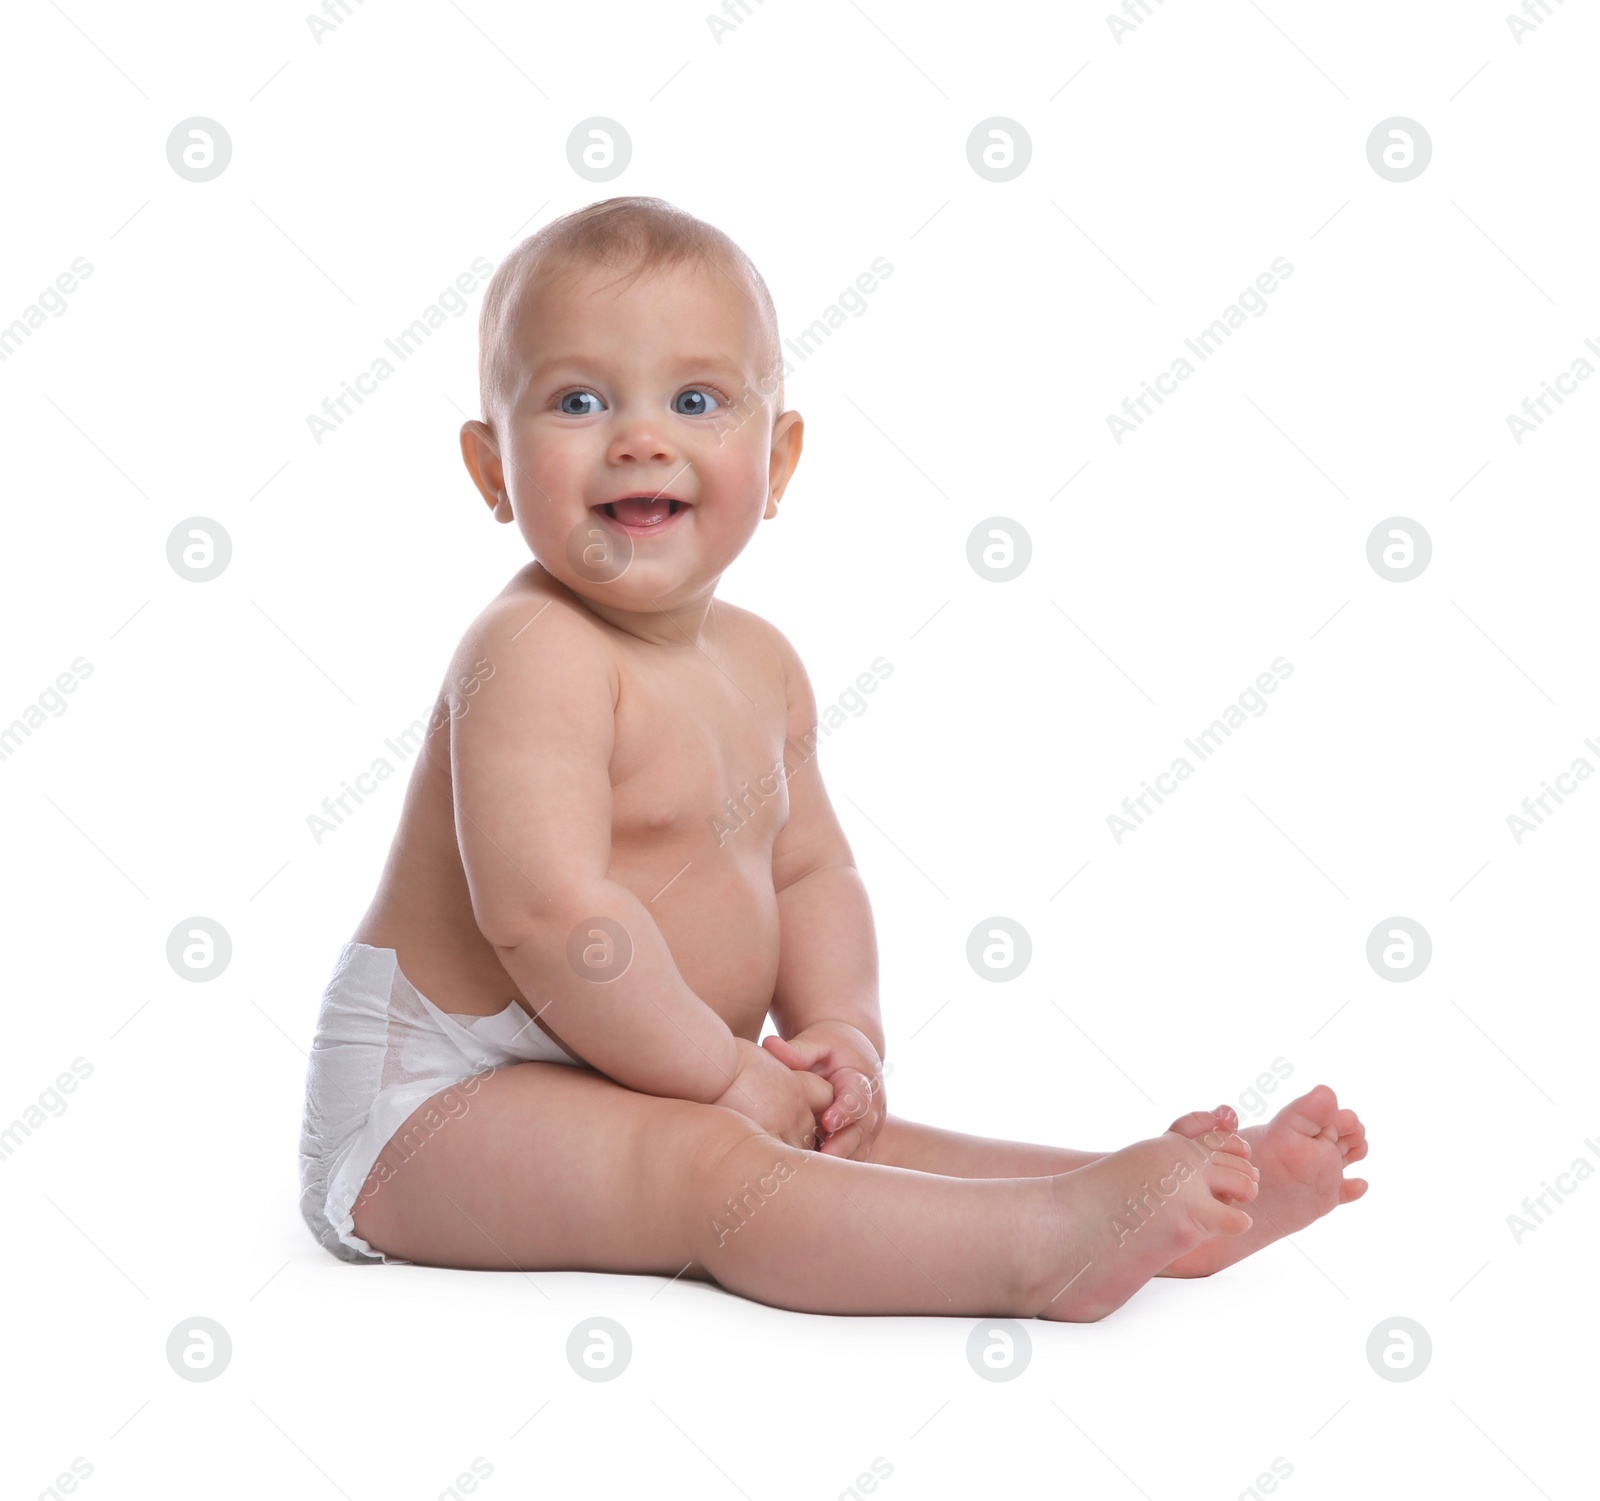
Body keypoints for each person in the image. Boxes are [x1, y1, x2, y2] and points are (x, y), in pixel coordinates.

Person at [297, 195, 1368, 1320]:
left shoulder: (761, 663)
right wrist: (719, 1073)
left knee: (828, 1129)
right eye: (576, 401)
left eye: (696, 399)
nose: (640, 437)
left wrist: (841, 1035)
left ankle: (1112, 1198)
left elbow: (810, 871)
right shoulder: (533, 650)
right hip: (433, 1105)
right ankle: (1037, 1248)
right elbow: (548, 916)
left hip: (625, 1065)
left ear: (780, 453)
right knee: (709, 1173)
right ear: (491, 469)